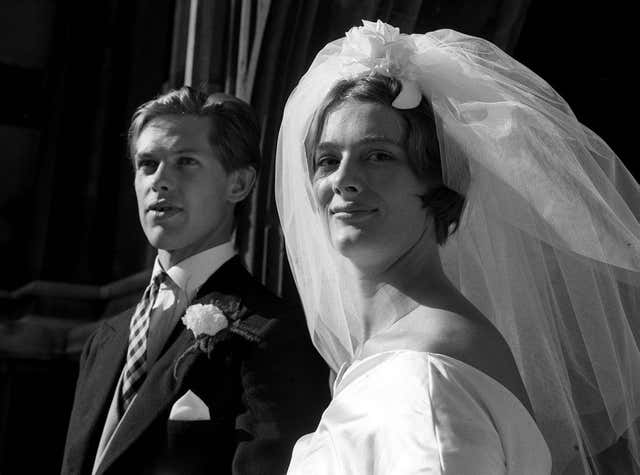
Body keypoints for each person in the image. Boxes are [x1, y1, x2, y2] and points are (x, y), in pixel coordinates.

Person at [275, 20, 640, 474]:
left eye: (378, 156)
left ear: (439, 183)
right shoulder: (392, 350)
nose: (343, 180)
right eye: (328, 159)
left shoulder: (424, 371)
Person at [61, 87, 329, 475]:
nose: (160, 181)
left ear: (238, 184)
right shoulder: (103, 340)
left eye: (185, 162)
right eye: (147, 164)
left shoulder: (275, 334)